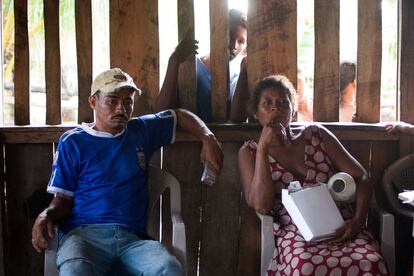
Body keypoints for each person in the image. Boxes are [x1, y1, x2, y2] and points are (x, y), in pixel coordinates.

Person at [31, 68, 223, 275]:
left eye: (128, 101)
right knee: (75, 270)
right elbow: (63, 200)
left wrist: (208, 137)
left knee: (169, 269)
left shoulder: (140, 131)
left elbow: (179, 115)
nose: (121, 107)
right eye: (112, 100)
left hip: (133, 241)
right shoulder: (73, 142)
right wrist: (44, 216)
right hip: (84, 238)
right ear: (93, 102)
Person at [238, 75, 389, 275]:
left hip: (341, 224)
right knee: (306, 265)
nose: (276, 108)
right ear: (256, 113)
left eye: (283, 102)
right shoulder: (250, 152)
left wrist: (358, 220)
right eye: (267, 103)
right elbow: (262, 205)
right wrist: (264, 147)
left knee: (371, 261)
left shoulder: (317, 135)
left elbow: (361, 177)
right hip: (294, 231)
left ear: (292, 109)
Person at [155, 9, 247, 122]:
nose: (234, 45)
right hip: (187, 138)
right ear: (216, 32)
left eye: (241, 41)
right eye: (230, 36)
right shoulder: (191, 66)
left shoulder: (237, 77)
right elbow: (161, 113)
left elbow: (238, 118)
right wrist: (173, 61)